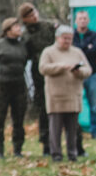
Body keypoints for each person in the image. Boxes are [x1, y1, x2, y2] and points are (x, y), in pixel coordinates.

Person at [38, 25, 91, 162]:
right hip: (56, 97)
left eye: (70, 38)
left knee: (72, 129)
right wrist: (60, 66)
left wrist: (79, 72)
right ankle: (56, 154)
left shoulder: (77, 52)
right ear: (57, 38)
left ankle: (72, 153)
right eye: (64, 38)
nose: (67, 41)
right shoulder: (48, 52)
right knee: (55, 129)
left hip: (73, 96)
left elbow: (88, 70)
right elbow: (43, 68)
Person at [0, 17, 29, 158]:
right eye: (16, 26)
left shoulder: (22, 45)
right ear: (8, 29)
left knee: (19, 119)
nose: (19, 28)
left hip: (19, 86)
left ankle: (18, 149)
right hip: (1, 87)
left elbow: (25, 61)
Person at [18, 2, 56, 155]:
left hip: (56, 69)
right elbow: (24, 55)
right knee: (43, 109)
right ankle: (46, 143)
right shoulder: (25, 35)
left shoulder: (49, 27)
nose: (34, 17)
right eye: (30, 15)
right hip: (39, 73)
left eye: (34, 13)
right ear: (24, 19)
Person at [72, 10, 96, 140]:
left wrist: (81, 50)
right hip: (76, 75)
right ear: (76, 21)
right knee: (75, 104)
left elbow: (95, 50)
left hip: (92, 74)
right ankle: (75, 131)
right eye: (80, 18)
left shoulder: (94, 35)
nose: (82, 21)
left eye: (85, 18)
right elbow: (73, 52)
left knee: (94, 105)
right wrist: (86, 47)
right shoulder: (72, 35)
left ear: (88, 20)